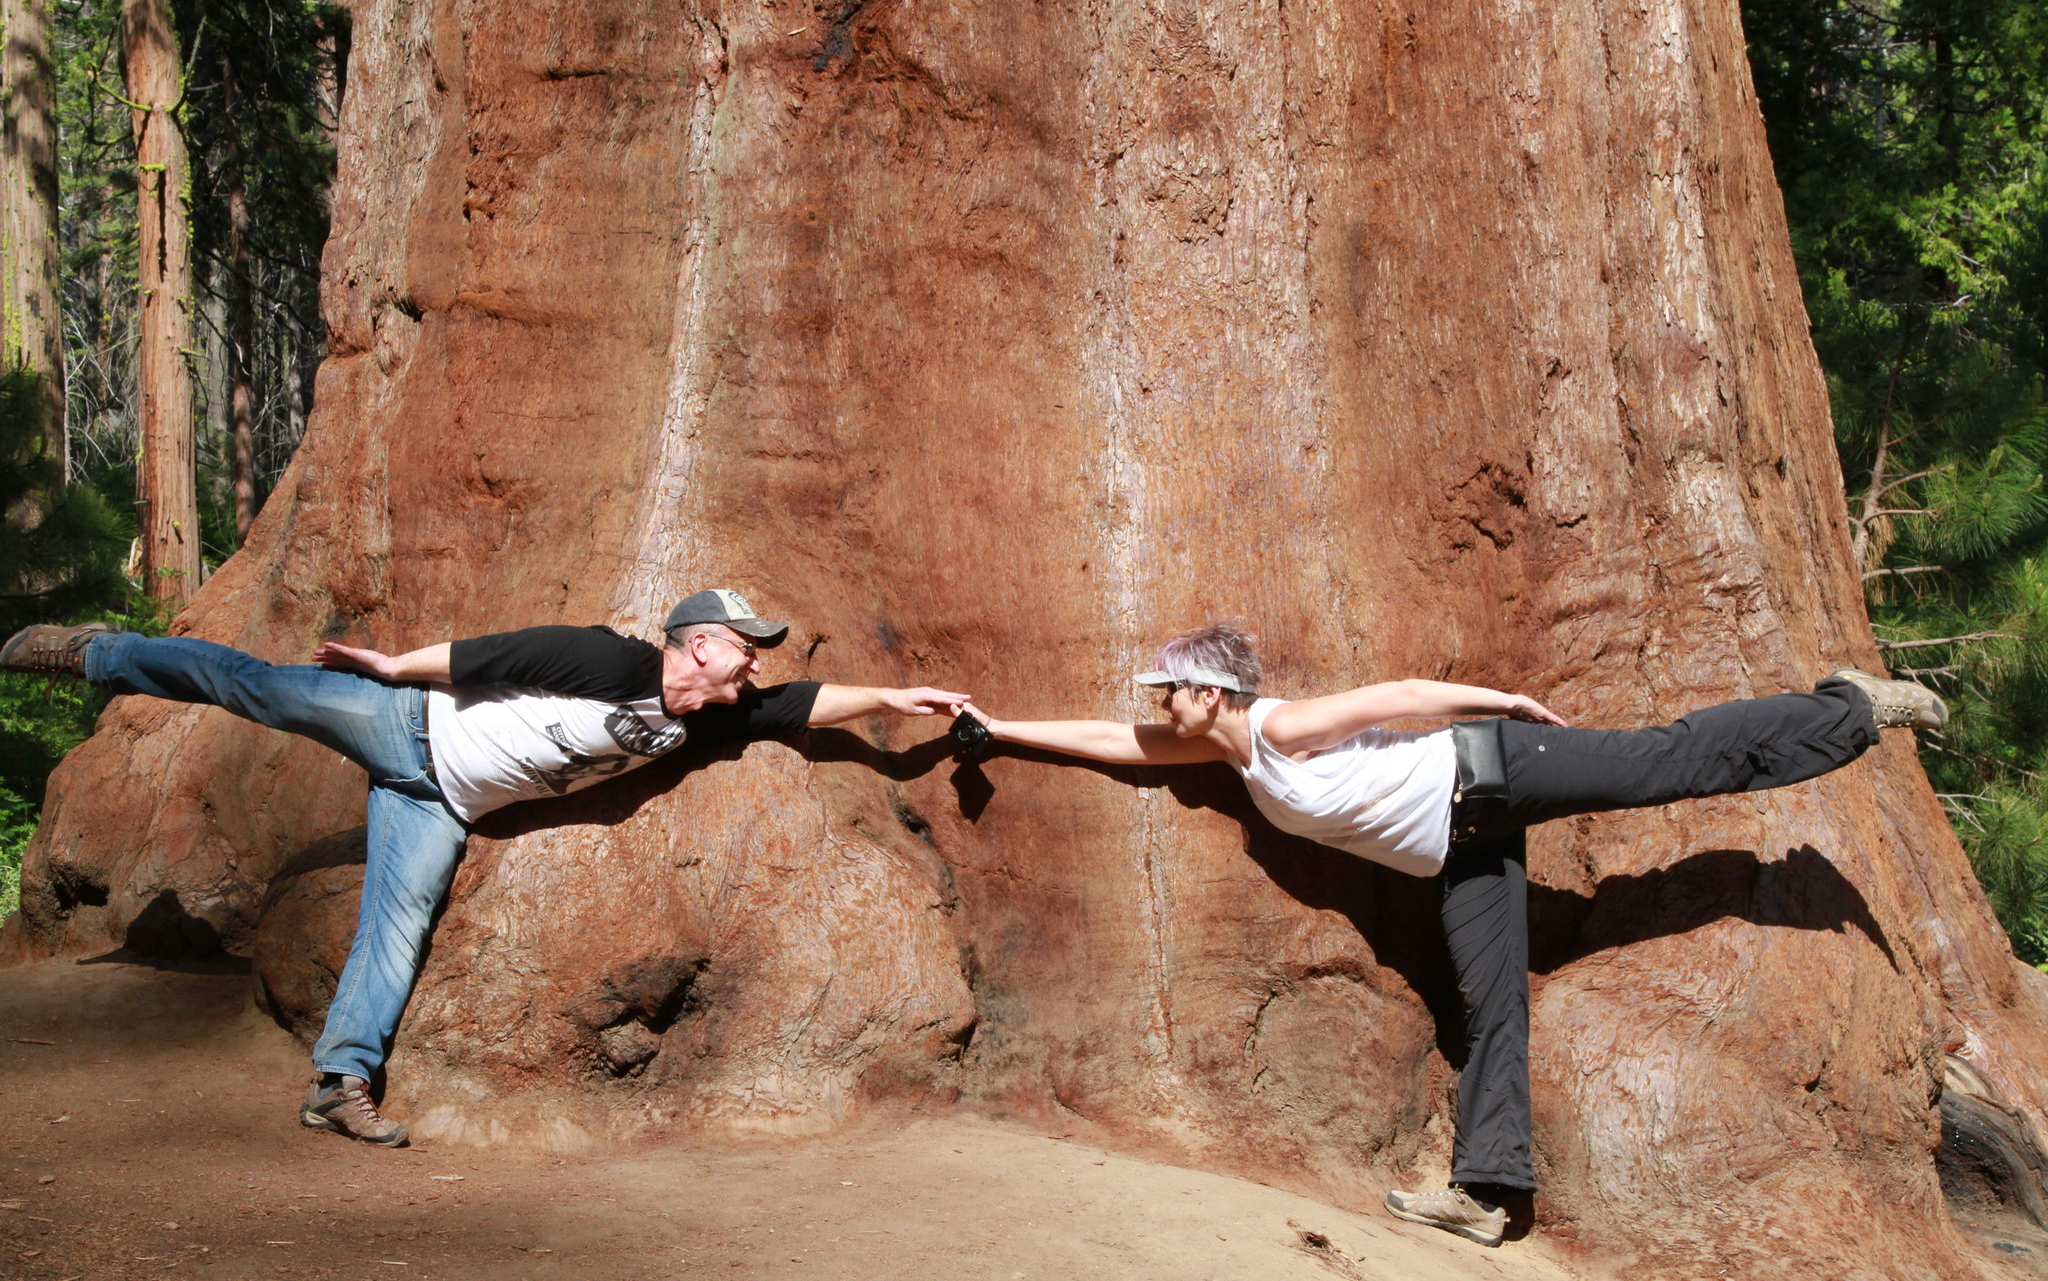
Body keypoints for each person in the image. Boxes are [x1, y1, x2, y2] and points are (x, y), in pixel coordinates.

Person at [956, 622, 1944, 1248]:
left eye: (1165, 690)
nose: (1155, 705)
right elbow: (1112, 741)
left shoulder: (1279, 730)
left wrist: (1498, 701)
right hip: (1465, 840)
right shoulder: (1225, 753)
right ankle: (1487, 1192)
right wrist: (996, 731)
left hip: (1493, 766)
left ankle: (1848, 709)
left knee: (1664, 761)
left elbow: (1393, 699)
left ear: (1209, 694)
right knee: (1486, 997)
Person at [0, 588, 967, 1149]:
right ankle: (101, 654)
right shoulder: (610, 658)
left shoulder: (714, 715)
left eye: (757, 659)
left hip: (437, 801)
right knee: (252, 686)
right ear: (701, 642)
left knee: (400, 927)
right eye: (746, 651)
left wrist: (896, 693)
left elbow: (808, 702)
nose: (756, 667)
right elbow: (487, 653)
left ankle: (339, 1081)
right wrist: (386, 669)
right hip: (404, 721)